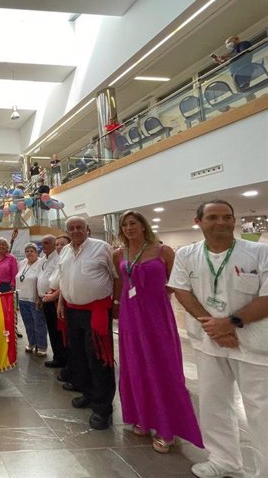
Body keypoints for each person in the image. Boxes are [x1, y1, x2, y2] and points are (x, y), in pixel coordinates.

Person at [169, 200, 268, 478]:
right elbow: (182, 290)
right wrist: (212, 327)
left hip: (254, 345)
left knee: (262, 411)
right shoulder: (187, 254)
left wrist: (230, 324)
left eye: (227, 217)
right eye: (213, 217)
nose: (221, 222)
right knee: (214, 403)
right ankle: (224, 460)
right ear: (198, 222)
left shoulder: (260, 252)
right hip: (208, 342)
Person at [113, 211, 202, 454]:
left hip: (156, 316)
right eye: (125, 224)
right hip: (130, 317)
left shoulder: (164, 252)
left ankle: (166, 427)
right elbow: (121, 284)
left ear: (144, 226)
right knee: (135, 365)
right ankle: (142, 416)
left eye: (134, 223)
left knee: (163, 366)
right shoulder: (119, 254)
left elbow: (176, 284)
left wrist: (153, 299)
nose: (129, 227)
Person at [55, 216, 117, 430]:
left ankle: (102, 408)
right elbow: (63, 280)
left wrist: (115, 304)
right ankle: (89, 394)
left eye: (79, 227)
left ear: (87, 229)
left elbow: (116, 277)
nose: (75, 231)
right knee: (79, 356)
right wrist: (61, 303)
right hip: (73, 312)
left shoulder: (102, 248)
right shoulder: (64, 251)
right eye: (71, 228)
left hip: (96, 311)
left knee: (99, 359)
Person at [40, 235, 67, 369]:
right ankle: (58, 357)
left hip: (57, 300)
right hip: (49, 298)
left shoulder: (60, 259)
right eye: (57, 245)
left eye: (62, 244)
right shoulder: (47, 259)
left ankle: (62, 359)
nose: (59, 247)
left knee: (59, 332)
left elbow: (65, 281)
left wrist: (54, 295)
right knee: (53, 331)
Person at [17, 242, 48, 356]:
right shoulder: (22, 263)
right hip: (22, 298)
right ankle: (32, 343)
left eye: (32, 251)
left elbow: (41, 281)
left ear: (37, 252)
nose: (29, 253)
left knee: (39, 324)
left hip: (34, 299)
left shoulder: (41, 263)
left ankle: (42, 346)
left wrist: (39, 298)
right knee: (28, 324)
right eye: (27, 251)